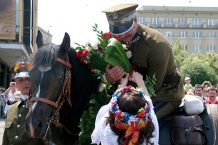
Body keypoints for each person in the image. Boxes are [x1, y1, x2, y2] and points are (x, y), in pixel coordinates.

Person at [102, 3, 184, 119]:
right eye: (118, 32)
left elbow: (153, 88)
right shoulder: (115, 40)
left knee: (135, 121)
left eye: (126, 29)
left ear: (135, 21)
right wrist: (109, 78)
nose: (122, 36)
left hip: (164, 94)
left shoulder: (156, 45)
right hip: (129, 93)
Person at [91, 71, 159, 145]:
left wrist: (122, 85)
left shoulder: (109, 132)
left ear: (116, 112)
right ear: (143, 110)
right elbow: (148, 100)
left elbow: (111, 105)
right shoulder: (149, 128)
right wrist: (140, 82)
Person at [2, 58, 44, 145]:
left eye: (28, 79)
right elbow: (6, 140)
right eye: (21, 80)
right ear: (16, 84)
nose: (25, 82)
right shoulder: (11, 108)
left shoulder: (42, 107)